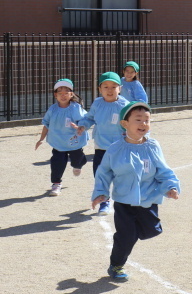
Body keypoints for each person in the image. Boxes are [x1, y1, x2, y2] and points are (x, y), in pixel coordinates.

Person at [91, 101, 180, 281]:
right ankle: (116, 264)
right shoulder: (115, 149)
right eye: (138, 120)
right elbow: (104, 172)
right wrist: (101, 192)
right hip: (124, 201)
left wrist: (170, 186)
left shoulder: (153, 146)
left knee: (152, 230)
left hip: (148, 199)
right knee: (126, 235)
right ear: (125, 123)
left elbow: (163, 170)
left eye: (147, 120)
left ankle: (131, 235)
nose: (143, 124)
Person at [76, 72, 129, 215]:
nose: (110, 90)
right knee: (100, 175)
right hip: (101, 147)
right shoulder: (97, 103)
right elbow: (89, 118)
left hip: (119, 148)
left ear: (120, 88)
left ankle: (124, 200)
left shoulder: (125, 105)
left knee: (120, 176)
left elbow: (132, 123)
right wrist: (83, 125)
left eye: (113, 86)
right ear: (100, 89)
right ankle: (104, 202)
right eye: (105, 86)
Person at [35, 78, 88, 196]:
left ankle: (78, 164)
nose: (63, 96)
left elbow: (84, 121)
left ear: (71, 94)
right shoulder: (52, 109)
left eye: (66, 93)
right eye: (60, 93)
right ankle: (56, 183)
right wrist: (41, 139)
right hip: (58, 141)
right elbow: (46, 124)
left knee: (77, 158)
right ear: (55, 95)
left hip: (74, 141)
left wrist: (78, 127)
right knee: (57, 162)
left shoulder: (76, 108)